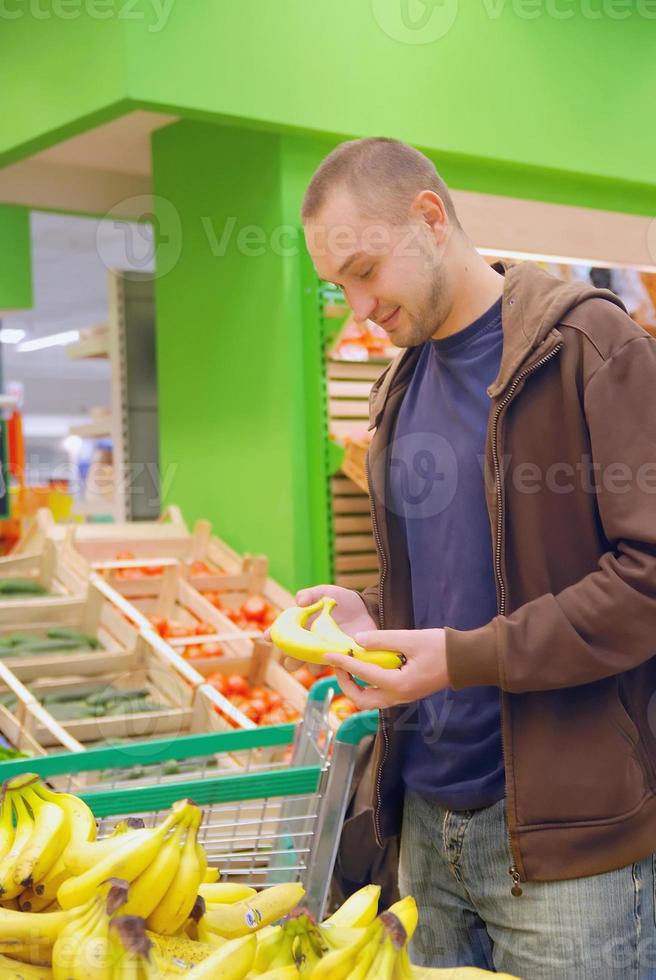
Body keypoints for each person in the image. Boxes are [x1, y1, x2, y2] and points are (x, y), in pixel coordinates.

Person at [298, 138, 656, 979]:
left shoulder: (588, 347)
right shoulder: (399, 388)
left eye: (365, 271)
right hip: (424, 825)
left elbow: (648, 576)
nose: (358, 308)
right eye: (338, 286)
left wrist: (462, 660)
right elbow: (452, 575)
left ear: (429, 217)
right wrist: (372, 618)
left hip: (570, 849)